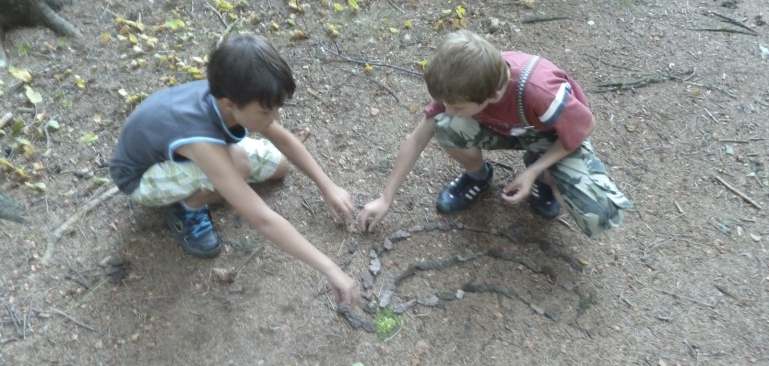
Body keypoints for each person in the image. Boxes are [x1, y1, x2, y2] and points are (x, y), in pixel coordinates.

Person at [110, 33, 357, 305]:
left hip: (181, 149)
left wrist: (328, 186)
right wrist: (331, 269)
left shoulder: (235, 91)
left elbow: (283, 138)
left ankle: (210, 187)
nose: (274, 118)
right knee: (238, 166)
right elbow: (262, 218)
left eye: (276, 108)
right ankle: (188, 207)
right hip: (142, 179)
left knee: (279, 166)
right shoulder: (201, 140)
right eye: (266, 112)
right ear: (229, 104)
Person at [357, 30, 632, 237]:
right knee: (446, 126)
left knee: (599, 213)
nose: (448, 108)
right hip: (507, 127)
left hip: (550, 135)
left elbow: (583, 128)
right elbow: (417, 139)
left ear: (496, 92)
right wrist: (386, 197)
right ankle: (478, 176)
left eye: (458, 106)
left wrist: (535, 171)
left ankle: (546, 180)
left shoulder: (540, 93)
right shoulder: (463, 82)